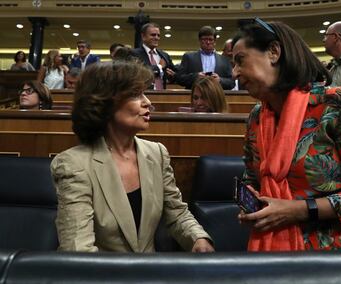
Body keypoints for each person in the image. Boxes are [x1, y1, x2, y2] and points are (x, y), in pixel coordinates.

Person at [232, 18, 341, 251]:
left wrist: (296, 211)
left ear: (274, 52)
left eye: (240, 60)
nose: (234, 72)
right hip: (272, 249)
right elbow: (251, 178)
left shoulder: (336, 105)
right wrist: (253, 203)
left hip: (339, 256)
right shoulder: (257, 116)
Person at [51, 60, 214, 253]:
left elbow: (176, 213)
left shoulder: (156, 153)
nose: (148, 102)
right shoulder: (73, 164)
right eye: (136, 95)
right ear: (105, 102)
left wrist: (198, 239)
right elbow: (78, 249)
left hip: (151, 274)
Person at [176, 26, 235, 90]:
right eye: (205, 39)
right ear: (200, 41)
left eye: (210, 39)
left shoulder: (225, 60)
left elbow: (232, 83)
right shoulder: (189, 57)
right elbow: (179, 79)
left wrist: (220, 80)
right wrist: (196, 77)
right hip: (195, 95)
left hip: (216, 96)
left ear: (215, 41)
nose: (208, 42)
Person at [132, 23, 176, 90]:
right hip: (143, 95)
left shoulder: (164, 55)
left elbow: (174, 74)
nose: (156, 38)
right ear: (143, 36)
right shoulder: (133, 54)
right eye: (153, 35)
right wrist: (159, 67)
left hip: (162, 96)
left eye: (158, 35)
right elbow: (139, 73)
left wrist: (172, 76)